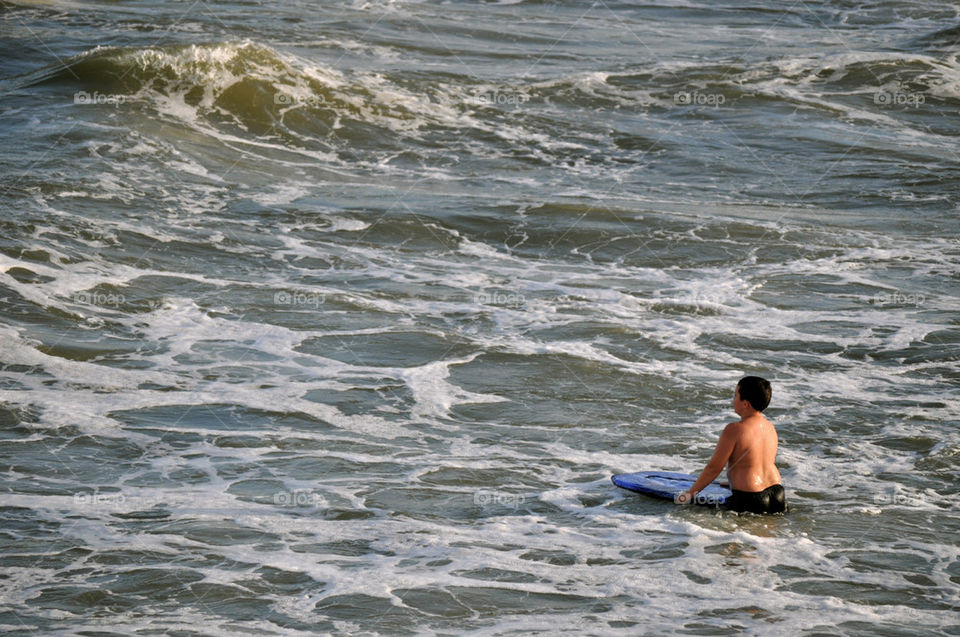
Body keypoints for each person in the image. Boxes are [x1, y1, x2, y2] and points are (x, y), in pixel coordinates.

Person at [675, 376, 786, 514]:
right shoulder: (770, 427)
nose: (733, 400)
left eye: (735, 395)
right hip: (777, 491)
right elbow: (758, 462)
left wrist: (689, 494)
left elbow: (713, 468)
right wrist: (734, 482)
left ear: (745, 404)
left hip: (751, 497)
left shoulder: (735, 429)